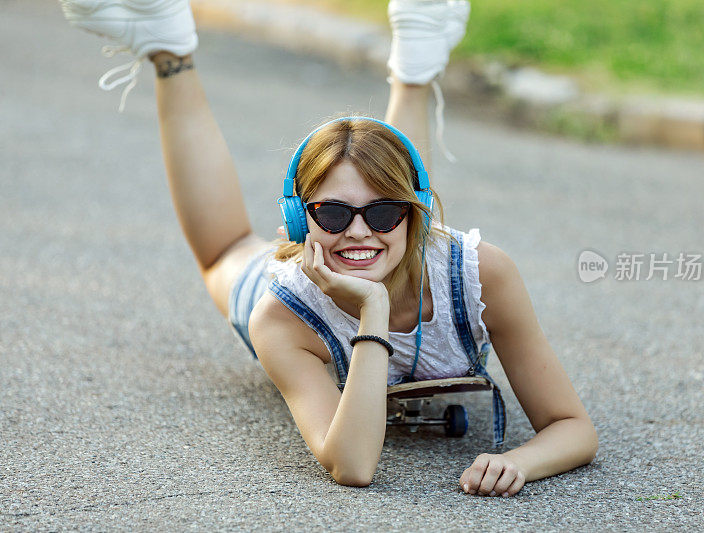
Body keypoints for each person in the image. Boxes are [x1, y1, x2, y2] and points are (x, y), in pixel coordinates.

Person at [60, 0, 598, 497]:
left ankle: (417, 56)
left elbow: (572, 428)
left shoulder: (481, 273)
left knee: (384, 176)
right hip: (292, 282)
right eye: (334, 213)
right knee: (222, 250)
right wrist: (373, 309)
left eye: (387, 211)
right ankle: (169, 49)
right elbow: (353, 466)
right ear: (299, 220)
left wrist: (522, 462)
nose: (360, 232)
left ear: (416, 212)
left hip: (410, 254)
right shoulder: (279, 314)